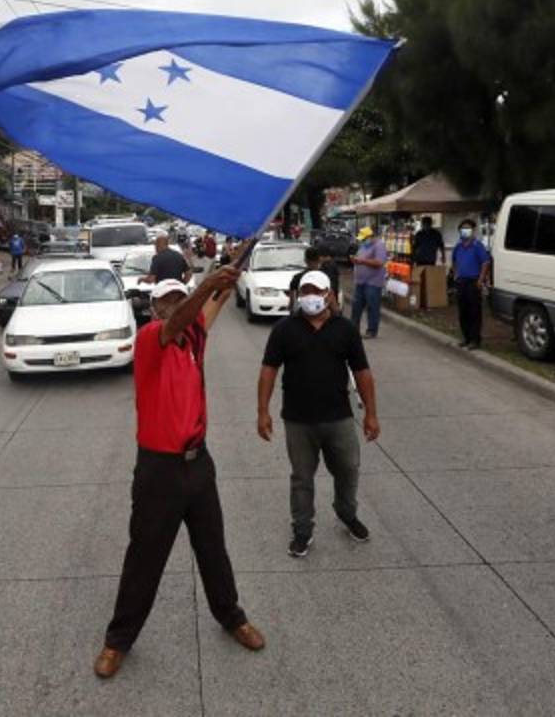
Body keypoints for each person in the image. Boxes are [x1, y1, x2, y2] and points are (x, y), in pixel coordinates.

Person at [94, 270, 265, 679]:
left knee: (213, 548)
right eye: (166, 301)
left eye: (178, 298)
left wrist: (229, 275)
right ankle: (118, 640)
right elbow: (185, 315)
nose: (173, 306)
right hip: (159, 470)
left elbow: (213, 304)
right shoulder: (151, 338)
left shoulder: (195, 336)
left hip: (198, 463)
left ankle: (231, 617)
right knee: (145, 557)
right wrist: (205, 286)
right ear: (154, 309)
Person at [258, 271, 380, 557]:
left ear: (329, 295)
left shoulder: (345, 329)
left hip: (339, 417)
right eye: (305, 291)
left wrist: (371, 413)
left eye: (316, 291)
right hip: (298, 420)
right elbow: (268, 371)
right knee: (302, 478)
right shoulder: (284, 329)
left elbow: (362, 372)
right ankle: (302, 530)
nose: (310, 296)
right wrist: (262, 411)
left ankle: (346, 512)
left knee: (348, 469)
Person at [451, 219, 492, 350]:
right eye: (463, 228)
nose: (465, 231)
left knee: (474, 312)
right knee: (463, 311)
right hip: (461, 282)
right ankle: (466, 338)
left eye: (468, 228)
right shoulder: (458, 246)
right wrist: (456, 274)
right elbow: (454, 260)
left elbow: (485, 263)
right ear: (460, 231)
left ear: (473, 231)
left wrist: (481, 279)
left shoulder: (477, 245)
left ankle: (475, 340)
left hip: (474, 282)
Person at [350, 226, 388, 338]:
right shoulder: (364, 245)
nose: (362, 240)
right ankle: (353, 330)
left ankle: (371, 331)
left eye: (364, 238)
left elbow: (379, 262)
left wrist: (362, 261)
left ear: (371, 236)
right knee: (356, 306)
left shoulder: (379, 245)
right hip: (361, 281)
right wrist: (355, 260)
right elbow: (360, 257)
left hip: (373, 282)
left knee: (372, 306)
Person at [289, 247, 341, 311]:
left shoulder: (297, 278)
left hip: (304, 312)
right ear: (319, 259)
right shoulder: (326, 277)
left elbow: (292, 304)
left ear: (305, 260)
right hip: (323, 312)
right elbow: (333, 300)